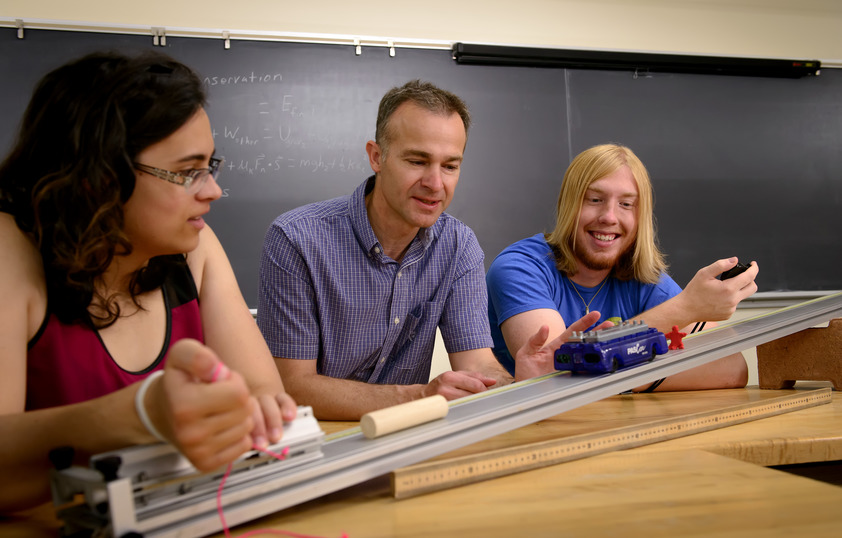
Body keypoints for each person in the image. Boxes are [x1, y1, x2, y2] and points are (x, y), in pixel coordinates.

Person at [0, 51, 297, 512]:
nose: (213, 190)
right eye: (185, 172)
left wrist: (256, 410)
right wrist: (139, 415)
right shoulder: (9, 250)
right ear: (96, 178)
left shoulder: (194, 246)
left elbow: (265, 397)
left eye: (209, 166)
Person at [258, 80, 597, 420]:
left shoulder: (458, 246)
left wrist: (518, 385)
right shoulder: (296, 239)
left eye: (450, 166)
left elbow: (476, 363)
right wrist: (420, 396)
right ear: (377, 157)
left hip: (409, 442)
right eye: (418, 161)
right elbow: (293, 386)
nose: (435, 184)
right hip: (316, 444)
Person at [486, 143, 758, 390]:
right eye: (595, 200)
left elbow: (732, 369)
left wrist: (607, 373)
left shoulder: (644, 279)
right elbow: (554, 374)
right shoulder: (519, 269)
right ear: (568, 204)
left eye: (626, 204)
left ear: (640, 217)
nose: (609, 217)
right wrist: (684, 309)